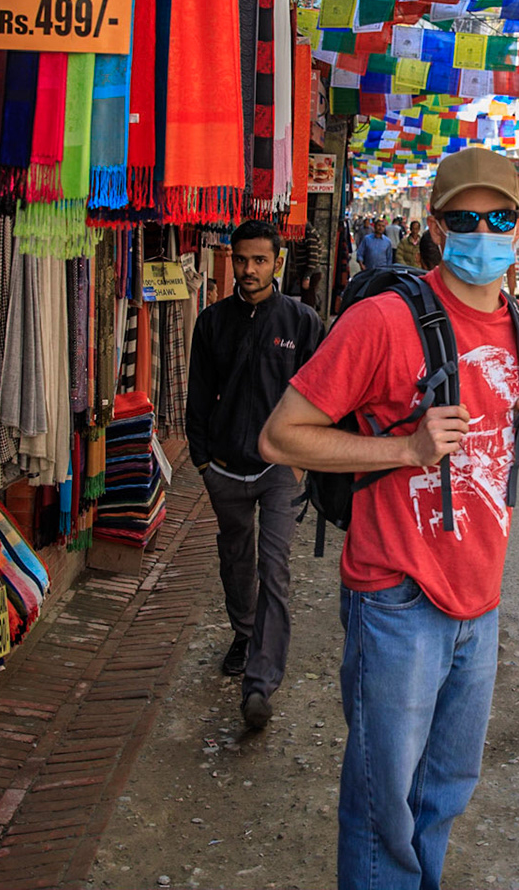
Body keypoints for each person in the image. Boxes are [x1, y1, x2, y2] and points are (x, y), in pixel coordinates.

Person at [258, 147, 519, 890]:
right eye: (467, 219)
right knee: (382, 808)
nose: (484, 233)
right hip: (397, 597)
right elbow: (281, 436)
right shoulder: (381, 322)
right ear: (435, 226)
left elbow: (490, 437)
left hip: (480, 600)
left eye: (500, 218)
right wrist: (404, 448)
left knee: (445, 793)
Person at [184, 220, 325, 729]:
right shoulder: (212, 322)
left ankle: (261, 684)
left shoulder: (302, 322)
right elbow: (198, 396)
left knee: (275, 567)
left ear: (276, 263)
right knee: (236, 559)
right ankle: (244, 634)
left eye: (260, 260)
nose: (249, 270)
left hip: (280, 469)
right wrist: (203, 462)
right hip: (224, 469)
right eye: (241, 260)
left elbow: (322, 396)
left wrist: (301, 460)